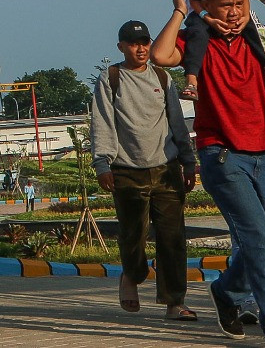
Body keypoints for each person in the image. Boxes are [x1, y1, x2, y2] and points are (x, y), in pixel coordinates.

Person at [152, 0, 265, 347]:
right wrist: (181, 11)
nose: (233, 12)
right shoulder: (198, 41)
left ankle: (226, 291)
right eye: (225, 6)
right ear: (207, 7)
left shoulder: (259, 39)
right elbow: (160, 55)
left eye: (238, 4)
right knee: (257, 238)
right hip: (224, 155)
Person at [91, 19, 199, 322]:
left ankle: (174, 302)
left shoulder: (163, 78)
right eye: (133, 43)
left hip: (166, 169)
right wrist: (102, 163)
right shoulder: (111, 78)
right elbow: (102, 122)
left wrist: (188, 161)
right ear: (121, 47)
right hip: (126, 170)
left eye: (145, 43)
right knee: (132, 235)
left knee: (172, 238)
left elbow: (177, 123)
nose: (140, 48)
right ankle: (132, 275)